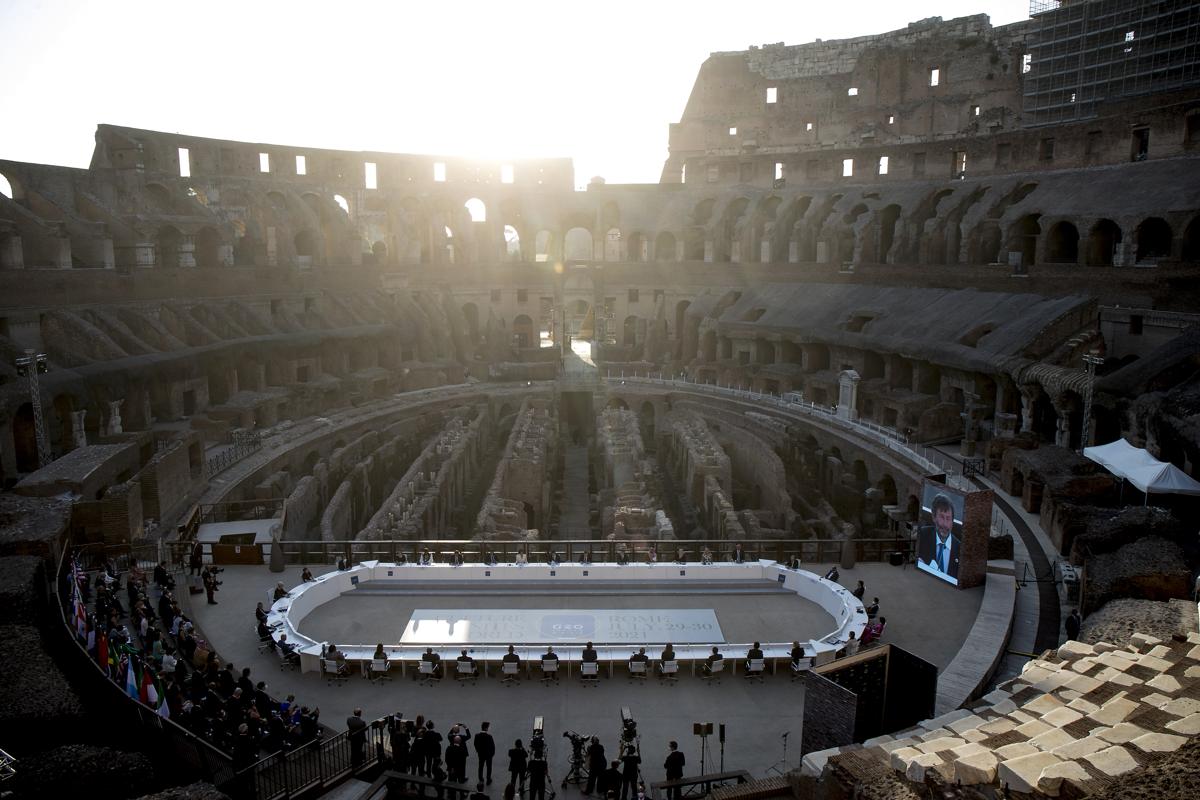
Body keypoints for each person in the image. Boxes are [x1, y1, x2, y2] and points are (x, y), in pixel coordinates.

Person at [916, 492, 961, 580]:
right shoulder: (922, 535)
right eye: (941, 517)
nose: (945, 524)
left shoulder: (959, 548)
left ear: (952, 521)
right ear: (933, 517)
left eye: (948, 518)